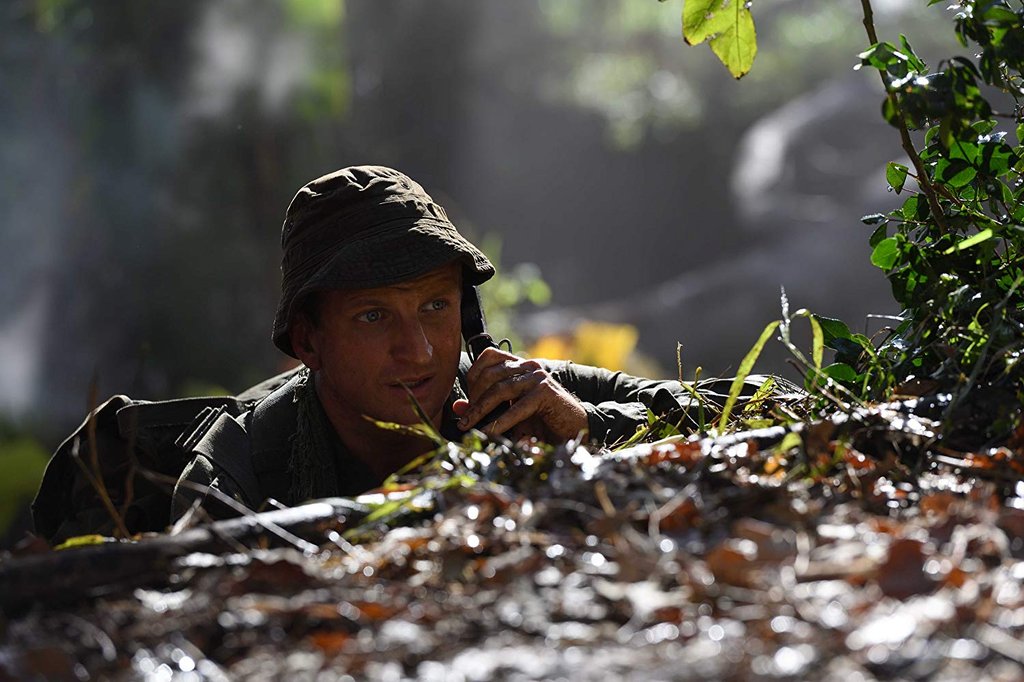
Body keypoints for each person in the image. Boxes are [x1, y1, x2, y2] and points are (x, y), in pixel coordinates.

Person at [32, 166, 767, 542]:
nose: (416, 349)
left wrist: (585, 430)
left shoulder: (511, 392)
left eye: (436, 307)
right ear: (308, 342)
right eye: (374, 315)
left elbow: (779, 416)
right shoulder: (244, 455)